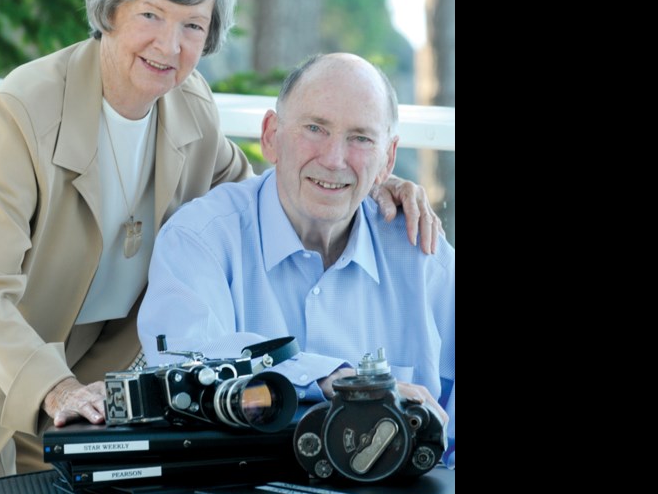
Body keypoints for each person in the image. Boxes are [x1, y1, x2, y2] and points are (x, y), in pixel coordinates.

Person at [0, 0, 442, 481]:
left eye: (192, 24)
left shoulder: (190, 106)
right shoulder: (24, 112)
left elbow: (265, 197)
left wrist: (371, 185)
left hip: (105, 391)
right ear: (110, 10)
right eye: (151, 14)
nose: (170, 45)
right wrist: (55, 388)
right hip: (7, 374)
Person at [138, 53, 455, 465]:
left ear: (388, 160)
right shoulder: (200, 238)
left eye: (360, 138)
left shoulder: (419, 251)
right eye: (314, 128)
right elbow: (187, 360)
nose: (334, 159)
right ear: (271, 136)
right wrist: (337, 381)